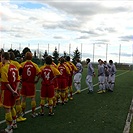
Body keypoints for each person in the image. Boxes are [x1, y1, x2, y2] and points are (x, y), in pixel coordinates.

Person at [1, 52, 19, 133]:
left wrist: (12, 91)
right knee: (12, 107)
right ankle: (14, 123)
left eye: (1, 57)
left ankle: (9, 128)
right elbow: (18, 80)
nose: (1, 59)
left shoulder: (4, 68)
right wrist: (15, 90)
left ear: (4, 57)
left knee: (7, 109)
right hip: (14, 90)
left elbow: (6, 83)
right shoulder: (14, 67)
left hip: (7, 91)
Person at [20, 52, 41, 118]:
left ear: (25, 57)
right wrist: (37, 80)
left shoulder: (22, 64)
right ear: (31, 57)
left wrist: (20, 79)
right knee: (32, 98)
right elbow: (39, 73)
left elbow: (19, 73)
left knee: (23, 98)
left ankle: (22, 113)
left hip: (24, 83)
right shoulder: (34, 65)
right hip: (31, 83)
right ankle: (33, 113)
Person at [9, 52, 26, 122]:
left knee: (9, 103)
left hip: (7, 85)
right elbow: (21, 69)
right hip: (15, 83)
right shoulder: (15, 63)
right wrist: (20, 77)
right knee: (17, 101)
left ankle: (12, 120)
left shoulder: (3, 64)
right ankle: (18, 116)